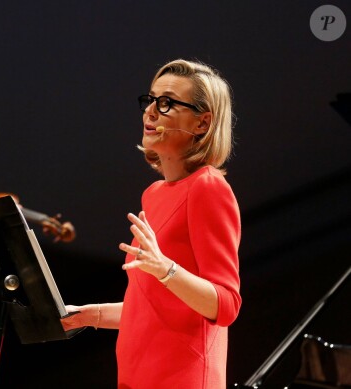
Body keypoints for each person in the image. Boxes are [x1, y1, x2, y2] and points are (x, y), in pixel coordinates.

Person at [61, 59, 241, 388]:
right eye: (151, 100)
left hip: (182, 378)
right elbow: (151, 307)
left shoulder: (208, 187)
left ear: (202, 123)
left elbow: (226, 305)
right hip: (137, 375)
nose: (151, 112)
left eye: (167, 103)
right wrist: (87, 315)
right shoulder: (154, 194)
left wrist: (165, 268)